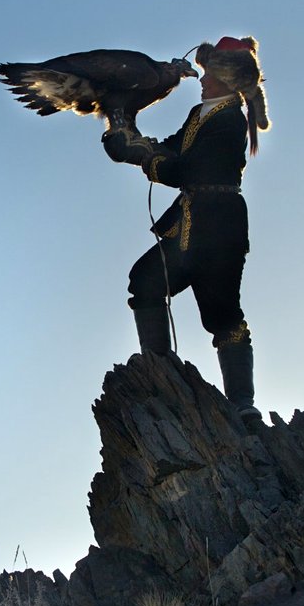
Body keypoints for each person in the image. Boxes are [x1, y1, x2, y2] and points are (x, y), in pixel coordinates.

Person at [101, 35, 270, 424]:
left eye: (209, 72)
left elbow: (186, 169)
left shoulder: (229, 120)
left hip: (220, 228)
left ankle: (243, 403)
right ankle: (163, 376)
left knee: (223, 316)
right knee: (145, 282)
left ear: (228, 80)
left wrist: (146, 158)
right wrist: (133, 143)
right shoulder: (200, 114)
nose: (202, 77)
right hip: (189, 226)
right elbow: (175, 149)